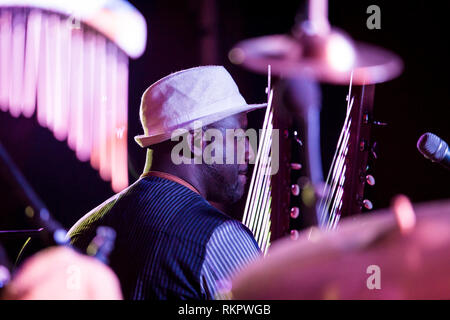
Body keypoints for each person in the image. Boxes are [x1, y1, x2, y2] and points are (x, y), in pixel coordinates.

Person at [68, 66, 267, 299]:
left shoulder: (81, 231)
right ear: (197, 142)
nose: (248, 152)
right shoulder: (220, 238)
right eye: (239, 135)